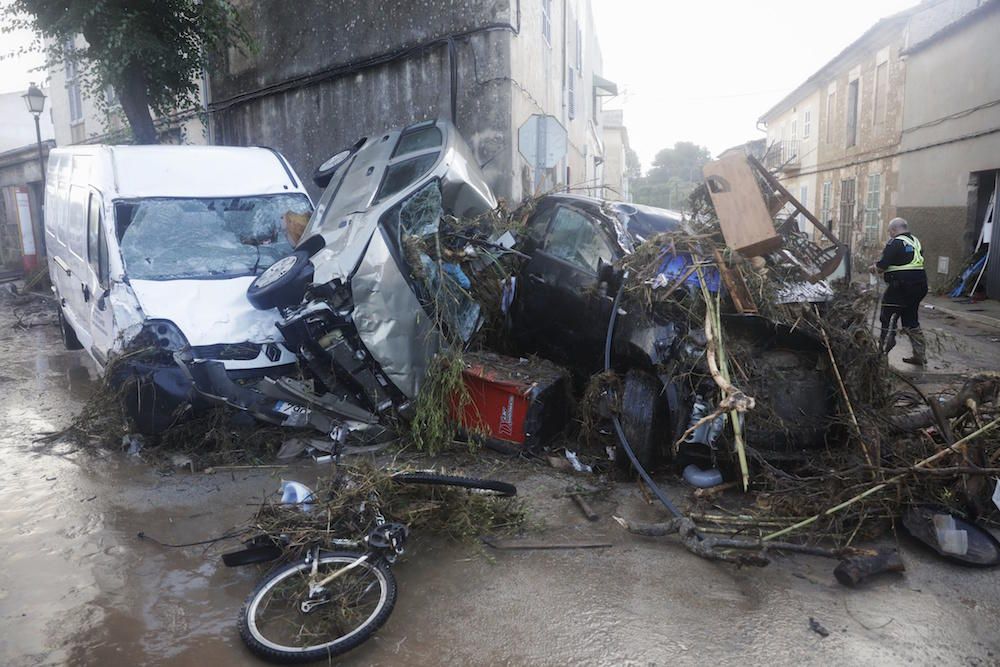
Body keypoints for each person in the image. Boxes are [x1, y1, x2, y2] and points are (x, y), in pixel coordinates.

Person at [870, 217, 928, 366]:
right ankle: (920, 354)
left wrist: (874, 268)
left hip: (900, 287)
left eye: (889, 231)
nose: (889, 234)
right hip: (919, 286)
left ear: (894, 230)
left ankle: (882, 353)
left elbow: (883, 265)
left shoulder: (895, 242)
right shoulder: (915, 241)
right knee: (911, 320)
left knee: (887, 319)